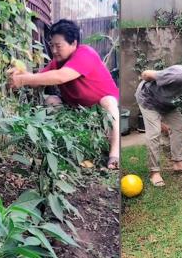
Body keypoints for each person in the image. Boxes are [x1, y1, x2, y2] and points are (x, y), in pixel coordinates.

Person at [7, 19, 120, 169]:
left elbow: (61, 76)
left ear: (73, 43)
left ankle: (115, 155)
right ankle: (61, 148)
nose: (53, 50)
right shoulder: (57, 62)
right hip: (74, 110)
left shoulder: (85, 53)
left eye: (58, 46)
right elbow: (38, 80)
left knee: (109, 102)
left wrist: (23, 79)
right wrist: (21, 74)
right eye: (51, 45)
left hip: (98, 110)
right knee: (51, 100)